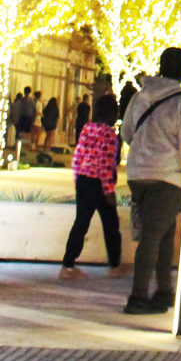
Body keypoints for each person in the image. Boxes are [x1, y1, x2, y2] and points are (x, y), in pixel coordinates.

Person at [119, 47, 181, 316]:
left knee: (163, 233)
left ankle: (164, 291)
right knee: (153, 236)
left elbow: (127, 133)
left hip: (138, 174)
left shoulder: (140, 96)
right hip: (167, 176)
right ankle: (138, 296)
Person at [59, 92, 125, 279]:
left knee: (81, 222)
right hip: (100, 183)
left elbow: (77, 157)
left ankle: (68, 265)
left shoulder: (87, 129)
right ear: (111, 113)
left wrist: (77, 181)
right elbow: (106, 164)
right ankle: (114, 265)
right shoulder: (110, 135)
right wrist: (108, 190)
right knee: (111, 224)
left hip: (83, 180)